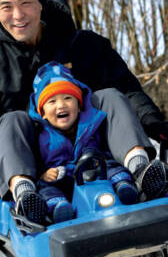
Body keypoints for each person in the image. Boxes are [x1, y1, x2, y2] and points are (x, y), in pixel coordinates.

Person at [0, 0, 168, 223]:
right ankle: (26, 195)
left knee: (108, 95)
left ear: (41, 2)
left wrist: (152, 122)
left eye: (25, 2)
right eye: (7, 6)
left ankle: (140, 170)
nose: (18, 15)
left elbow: (126, 89)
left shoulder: (83, 45)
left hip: (95, 149)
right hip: (36, 162)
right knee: (11, 119)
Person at [14, 61, 145, 225]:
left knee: (111, 166)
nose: (61, 105)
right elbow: (35, 162)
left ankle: (124, 185)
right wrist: (44, 174)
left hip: (95, 177)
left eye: (68, 98)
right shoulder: (40, 134)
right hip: (61, 182)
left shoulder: (92, 123)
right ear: (43, 114)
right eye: (52, 102)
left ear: (79, 105)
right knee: (47, 190)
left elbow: (108, 143)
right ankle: (58, 208)